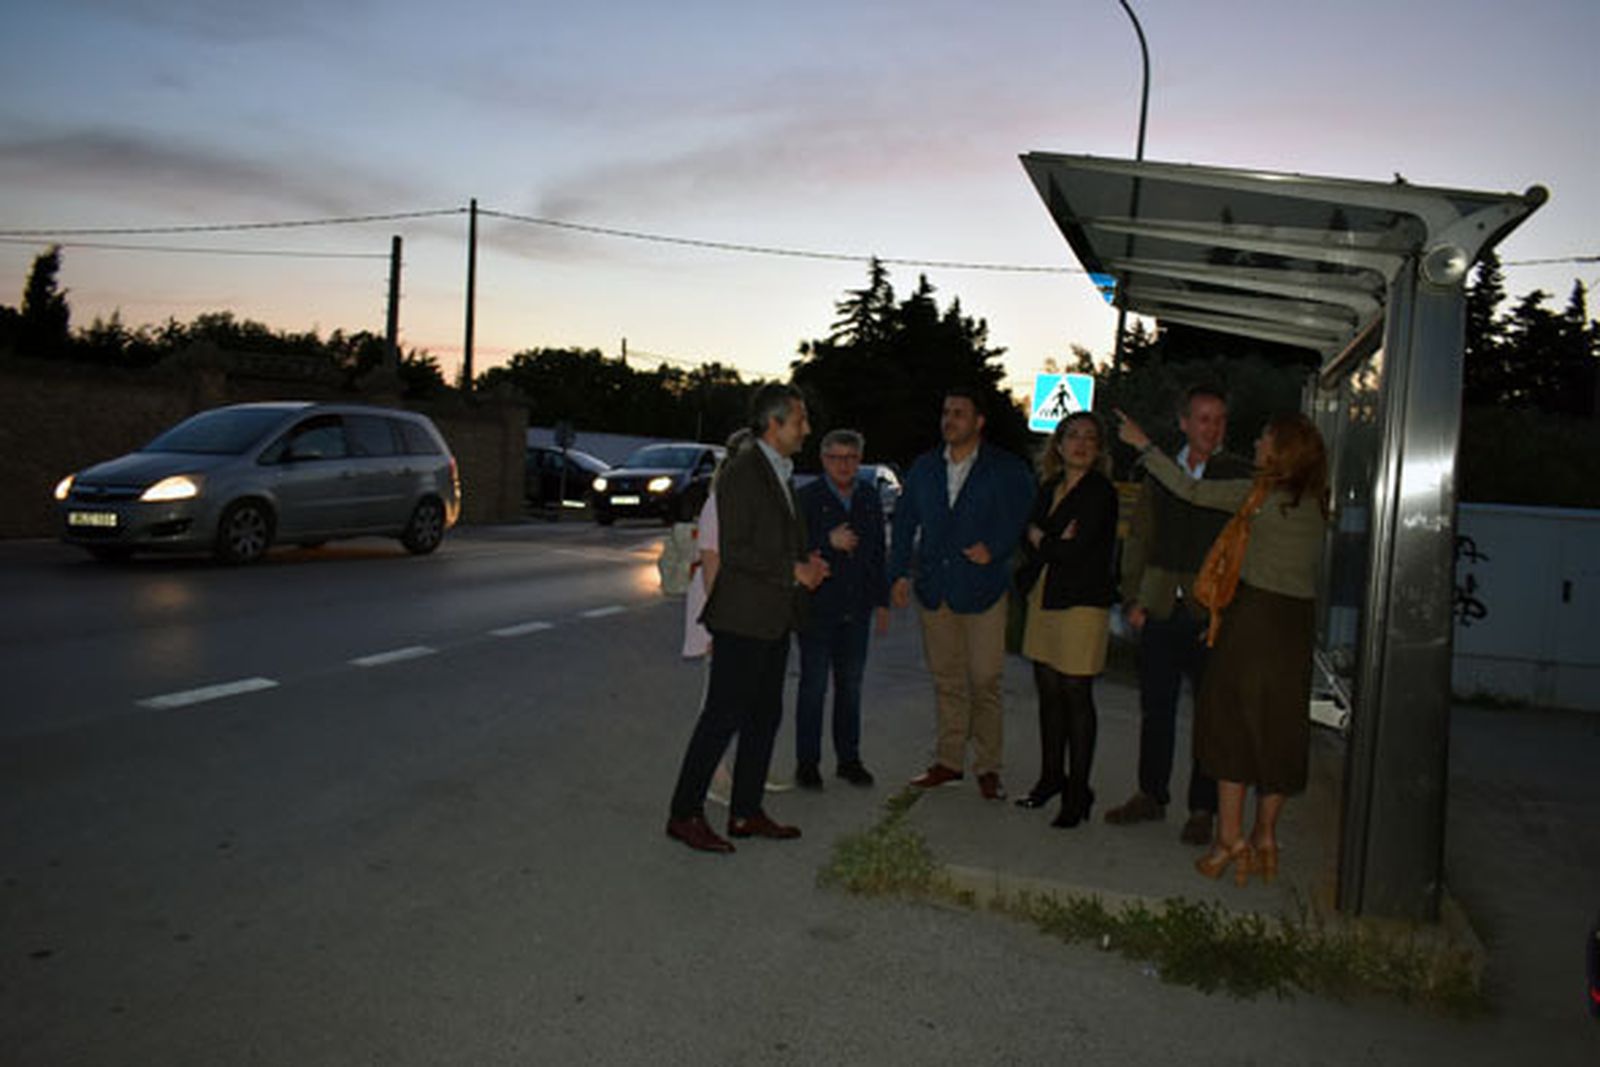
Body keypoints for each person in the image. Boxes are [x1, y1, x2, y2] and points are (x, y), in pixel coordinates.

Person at [1115, 409, 1328, 886]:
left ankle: (1229, 841)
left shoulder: (1258, 496)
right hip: (1295, 625)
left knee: (1230, 725)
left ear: (1281, 452)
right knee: (1279, 729)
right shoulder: (1317, 502)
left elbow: (1190, 490)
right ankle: (1265, 837)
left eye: (1264, 439)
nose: (1256, 445)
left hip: (1253, 620)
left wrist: (1145, 447)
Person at [666, 384, 829, 853]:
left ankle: (746, 811)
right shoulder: (742, 472)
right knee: (721, 717)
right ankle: (684, 814)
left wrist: (807, 563)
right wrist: (794, 570)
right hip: (742, 616)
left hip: (773, 616)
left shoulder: (780, 469)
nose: (806, 429)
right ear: (774, 424)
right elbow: (735, 549)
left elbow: (776, 538)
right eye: (799, 420)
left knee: (763, 716)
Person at [1104, 385, 1255, 846]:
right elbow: (1140, 537)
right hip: (1160, 607)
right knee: (1156, 709)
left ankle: (1203, 808)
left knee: (1211, 715)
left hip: (1212, 613)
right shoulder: (1159, 472)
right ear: (1184, 422)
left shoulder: (1239, 475)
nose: (1213, 428)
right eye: (1204, 418)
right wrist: (1132, 597)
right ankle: (1150, 794)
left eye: (1220, 419)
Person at [889, 387, 1034, 801]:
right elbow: (904, 522)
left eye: (959, 413)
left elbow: (1024, 510)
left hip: (983, 589)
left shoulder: (1004, 469)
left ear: (979, 421)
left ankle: (988, 766)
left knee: (985, 679)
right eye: (946, 412)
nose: (949, 420)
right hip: (936, 589)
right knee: (947, 679)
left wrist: (997, 547)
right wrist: (898, 573)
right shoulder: (925, 467)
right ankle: (948, 761)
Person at [1013, 412, 1119, 828]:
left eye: (1090, 437)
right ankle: (1050, 779)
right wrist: (1051, 540)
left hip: (1082, 602)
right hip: (1044, 596)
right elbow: (1028, 535)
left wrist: (1045, 539)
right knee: (1049, 692)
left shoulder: (1101, 493)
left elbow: (1074, 551)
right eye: (1073, 435)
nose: (1081, 443)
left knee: (1076, 693)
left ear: (1099, 448)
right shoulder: (1048, 486)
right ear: (1058, 444)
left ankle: (1078, 793)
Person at [681, 429, 792, 805]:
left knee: (751, 694)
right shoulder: (721, 500)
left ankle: (750, 767)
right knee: (720, 698)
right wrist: (720, 623)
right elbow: (712, 563)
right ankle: (715, 776)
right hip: (726, 610)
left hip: (750, 610)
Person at [794, 429, 889, 790]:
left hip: (856, 608)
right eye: (836, 458)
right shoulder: (807, 498)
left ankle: (849, 760)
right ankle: (807, 763)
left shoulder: (868, 496)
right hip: (818, 608)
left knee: (850, 686)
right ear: (823, 460)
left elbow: (877, 551)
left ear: (860, 460)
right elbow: (790, 547)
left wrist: (881, 601)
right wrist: (826, 541)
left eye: (851, 458)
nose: (844, 465)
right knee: (814, 687)